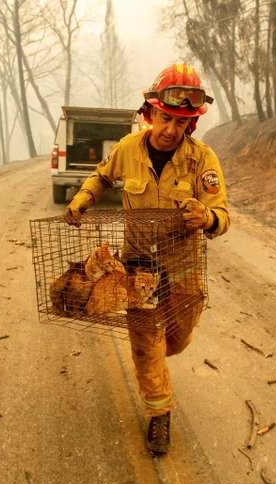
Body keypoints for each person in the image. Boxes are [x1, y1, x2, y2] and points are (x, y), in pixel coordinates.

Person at [64, 63, 230, 455]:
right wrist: (83, 199)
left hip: (184, 271)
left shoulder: (201, 160)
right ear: (151, 113)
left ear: (190, 124)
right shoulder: (127, 150)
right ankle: (160, 413)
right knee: (147, 341)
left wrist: (206, 217)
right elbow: (101, 177)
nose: (171, 129)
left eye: (181, 122)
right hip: (138, 268)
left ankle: (154, 354)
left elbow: (222, 216)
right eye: (165, 117)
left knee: (178, 338)